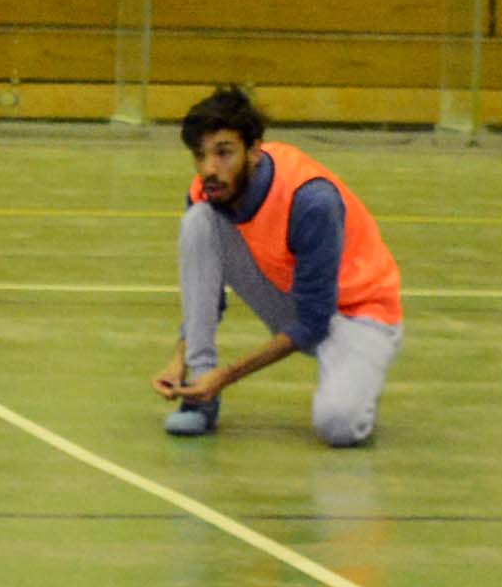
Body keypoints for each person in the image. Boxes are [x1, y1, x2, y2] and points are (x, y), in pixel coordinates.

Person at [151, 83, 401, 448]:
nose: (209, 169)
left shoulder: (311, 200)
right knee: (198, 222)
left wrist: (226, 376)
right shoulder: (208, 189)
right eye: (200, 155)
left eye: (223, 153)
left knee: (339, 426)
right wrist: (180, 361)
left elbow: (314, 322)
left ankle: (357, 381)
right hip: (291, 297)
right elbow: (208, 294)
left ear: (254, 150)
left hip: (360, 314)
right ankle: (199, 399)